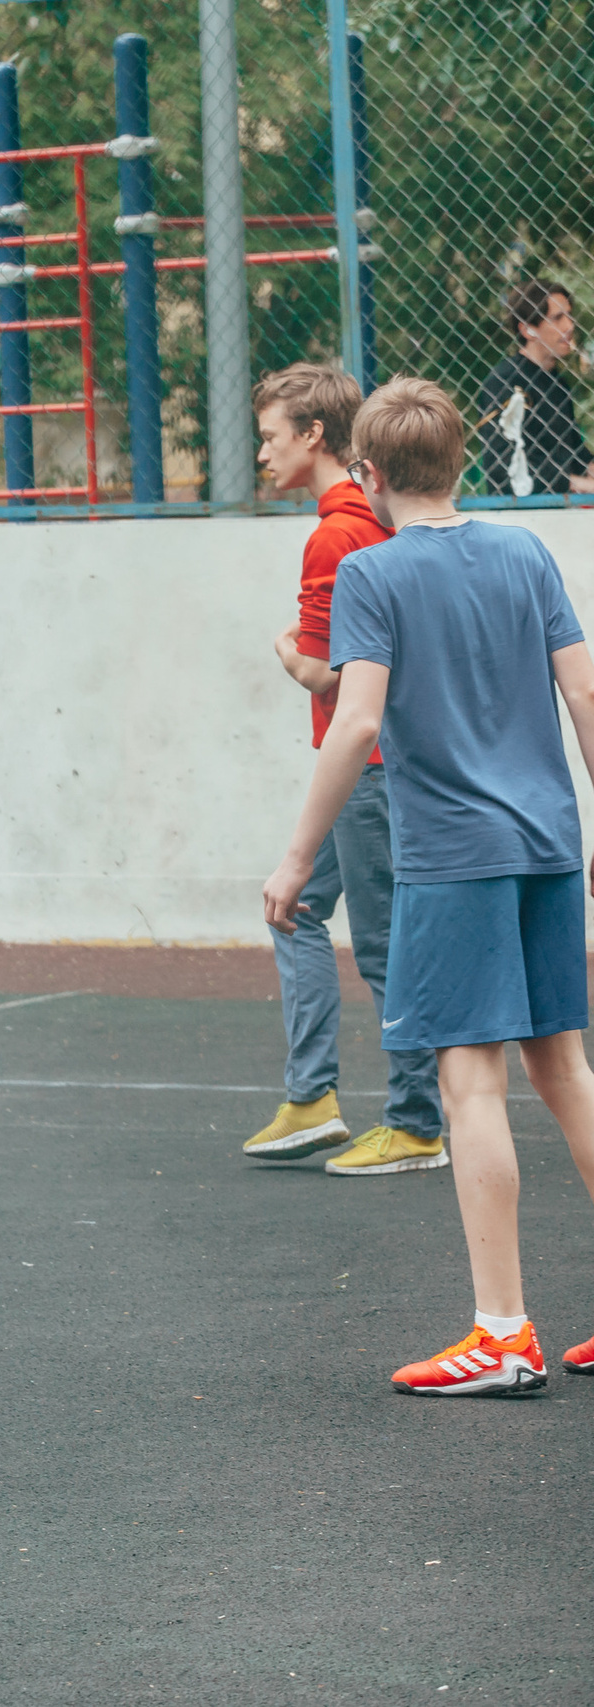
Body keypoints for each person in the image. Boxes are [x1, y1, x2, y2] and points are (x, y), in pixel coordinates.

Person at [263, 377, 594, 1397]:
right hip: (548, 846)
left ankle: (502, 1334)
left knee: (470, 1084)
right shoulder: (525, 551)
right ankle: (506, 1331)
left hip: (454, 857)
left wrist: (295, 857)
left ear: (367, 473)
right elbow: (584, 688)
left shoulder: (374, 571)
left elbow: (357, 719)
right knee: (566, 1071)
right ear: (460, 463)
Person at [246, 363, 446, 1175]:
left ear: (314, 434)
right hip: (374, 764)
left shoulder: (334, 533)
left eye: (271, 436)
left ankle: (416, 1122)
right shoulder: (381, 516)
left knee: (385, 945)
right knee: (292, 907)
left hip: (367, 767)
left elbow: (332, 671)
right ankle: (312, 1097)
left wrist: (287, 652)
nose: (263, 453)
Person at [474, 279, 593, 499]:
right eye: (557, 318)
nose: (569, 326)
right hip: (520, 509)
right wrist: (573, 482)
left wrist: (588, 467)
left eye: (569, 315)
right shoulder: (503, 382)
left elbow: (573, 450)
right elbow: (502, 466)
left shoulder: (559, 384)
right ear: (528, 329)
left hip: (562, 506)